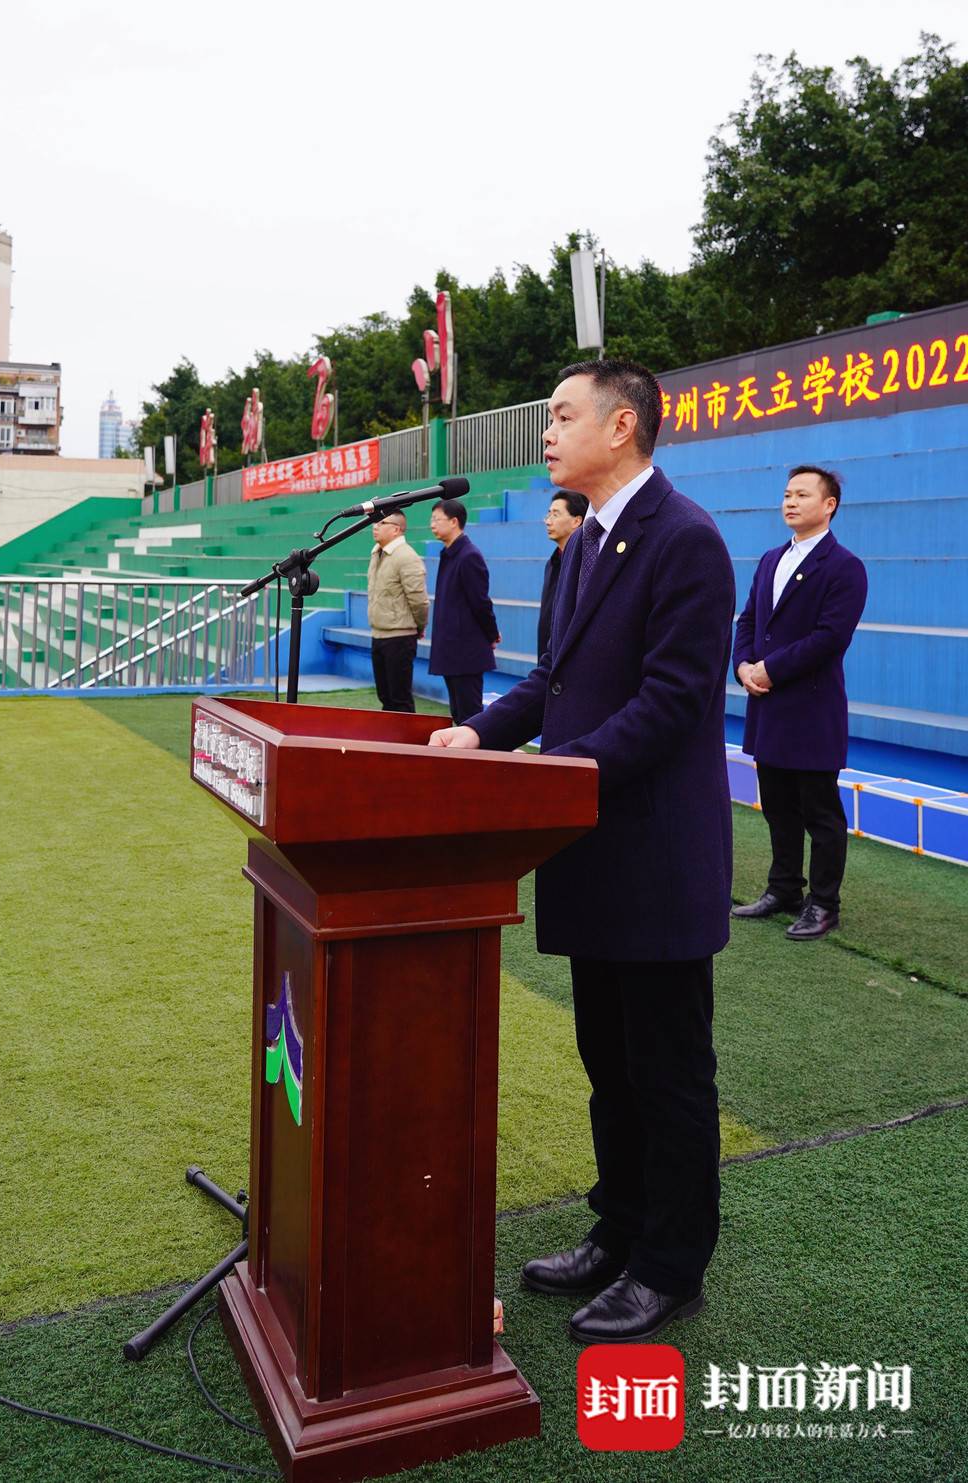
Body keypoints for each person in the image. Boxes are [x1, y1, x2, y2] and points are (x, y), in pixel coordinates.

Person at [429, 359, 735, 1345]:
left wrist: (552, 773)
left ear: (625, 425)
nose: (546, 432)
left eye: (563, 415)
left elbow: (672, 702)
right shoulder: (577, 550)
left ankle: (671, 1264)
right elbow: (550, 683)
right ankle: (621, 1226)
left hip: (654, 855)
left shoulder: (685, 541)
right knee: (609, 1058)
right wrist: (479, 731)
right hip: (590, 847)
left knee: (667, 1068)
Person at [731, 466, 868, 940]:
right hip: (768, 705)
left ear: (828, 505)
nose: (790, 502)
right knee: (778, 805)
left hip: (809, 708)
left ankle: (824, 903)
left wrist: (770, 668)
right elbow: (748, 620)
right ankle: (784, 888)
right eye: (787, 494)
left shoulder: (844, 566)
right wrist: (744, 665)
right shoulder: (771, 559)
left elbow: (830, 638)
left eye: (802, 495)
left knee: (821, 813)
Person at [427, 499, 501, 724]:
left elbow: (480, 602)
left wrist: (492, 634)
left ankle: (476, 759)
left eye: (436, 519)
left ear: (454, 522)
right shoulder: (449, 553)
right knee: (458, 713)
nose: (432, 525)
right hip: (451, 648)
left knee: (470, 715)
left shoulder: (469, 556)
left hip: (465, 650)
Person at [366, 511, 429, 713]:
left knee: (400, 698)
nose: (375, 526)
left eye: (381, 522)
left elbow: (419, 600)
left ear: (396, 529)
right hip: (378, 635)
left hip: (399, 637)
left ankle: (407, 743)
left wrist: (419, 626)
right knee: (385, 696)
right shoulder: (377, 552)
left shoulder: (406, 557)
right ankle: (388, 742)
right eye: (375, 522)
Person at [537, 491, 588, 662]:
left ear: (577, 521)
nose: (548, 521)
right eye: (548, 514)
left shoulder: (587, 565)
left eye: (556, 514)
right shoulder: (552, 563)